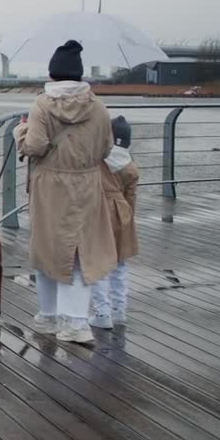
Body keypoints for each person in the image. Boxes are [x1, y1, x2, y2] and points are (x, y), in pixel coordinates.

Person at [15, 40, 117, 344]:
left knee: (47, 250)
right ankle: (76, 321)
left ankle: (49, 316)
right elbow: (107, 148)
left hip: (50, 186)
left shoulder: (42, 105)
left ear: (53, 73)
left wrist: (20, 131)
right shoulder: (98, 107)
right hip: (86, 183)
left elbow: (34, 147)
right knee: (79, 253)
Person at [90, 115, 139, 329]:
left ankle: (102, 311)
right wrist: (128, 220)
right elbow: (131, 198)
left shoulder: (98, 162)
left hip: (98, 212)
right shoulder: (130, 167)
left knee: (99, 263)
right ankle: (120, 309)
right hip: (122, 213)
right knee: (120, 263)